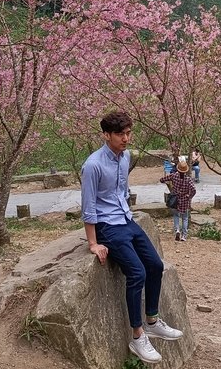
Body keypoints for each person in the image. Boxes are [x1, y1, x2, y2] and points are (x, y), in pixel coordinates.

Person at [81, 111, 184, 365]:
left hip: (126, 220)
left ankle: (151, 320)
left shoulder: (125, 157)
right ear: (106, 135)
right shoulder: (93, 165)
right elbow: (88, 205)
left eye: (129, 133)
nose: (126, 139)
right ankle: (137, 336)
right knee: (136, 272)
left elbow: (121, 192)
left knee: (155, 265)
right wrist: (93, 243)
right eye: (120, 134)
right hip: (107, 225)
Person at [161, 158, 197, 241]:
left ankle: (177, 230)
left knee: (176, 215)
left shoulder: (174, 176)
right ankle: (184, 236)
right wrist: (190, 196)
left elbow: (162, 179)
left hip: (175, 199)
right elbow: (194, 190)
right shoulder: (188, 180)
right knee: (185, 218)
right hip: (184, 200)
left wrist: (165, 182)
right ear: (185, 171)